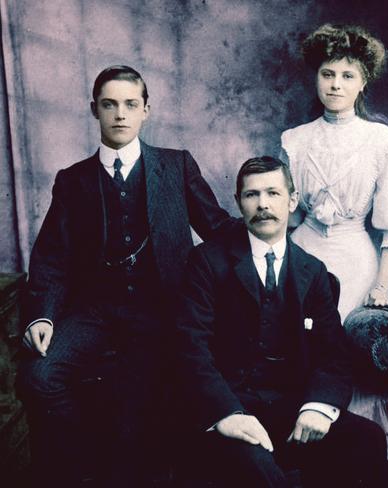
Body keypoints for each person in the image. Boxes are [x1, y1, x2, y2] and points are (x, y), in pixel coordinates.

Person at [17, 65, 230, 487]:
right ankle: (84, 468)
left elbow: (219, 229)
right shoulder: (72, 180)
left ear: (146, 110)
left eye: (131, 105)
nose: (120, 114)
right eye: (110, 105)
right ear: (94, 110)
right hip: (94, 311)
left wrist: (269, 229)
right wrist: (41, 316)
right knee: (39, 378)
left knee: (141, 408)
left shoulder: (176, 166)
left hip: (163, 308)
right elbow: (51, 259)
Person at [174, 156, 386, 487]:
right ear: (239, 203)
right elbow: (191, 348)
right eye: (252, 195)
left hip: (291, 409)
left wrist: (317, 406)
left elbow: (334, 355)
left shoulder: (312, 271)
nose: (263, 205)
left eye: (273, 193)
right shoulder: (207, 261)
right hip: (232, 410)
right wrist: (227, 414)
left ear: (292, 200)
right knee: (260, 470)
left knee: (367, 439)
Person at [280, 23, 388, 322]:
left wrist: (381, 287)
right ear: (317, 78)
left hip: (355, 262)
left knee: (340, 346)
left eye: (347, 76)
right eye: (327, 74)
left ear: (362, 83)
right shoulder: (294, 140)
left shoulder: (383, 142)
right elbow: (287, 218)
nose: (335, 85)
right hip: (301, 253)